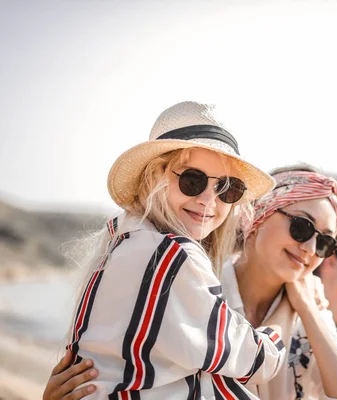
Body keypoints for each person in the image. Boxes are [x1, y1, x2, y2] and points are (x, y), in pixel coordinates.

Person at [44, 163, 337, 400]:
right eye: (302, 227)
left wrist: (306, 309)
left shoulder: (313, 310)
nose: (310, 248)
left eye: (325, 242)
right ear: (261, 215)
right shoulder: (190, 284)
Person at [57, 100, 296, 399]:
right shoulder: (172, 255)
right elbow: (257, 360)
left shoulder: (123, 243)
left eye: (227, 188)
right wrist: (288, 307)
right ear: (153, 177)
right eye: (192, 180)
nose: (209, 200)